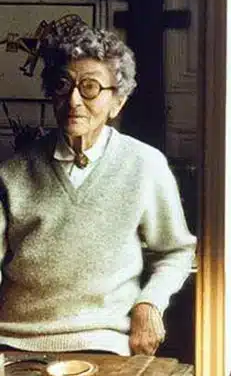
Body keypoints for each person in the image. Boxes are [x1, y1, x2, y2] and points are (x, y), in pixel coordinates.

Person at [0, 22, 196, 356]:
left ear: (116, 103)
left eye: (89, 87)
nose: (74, 100)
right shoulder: (13, 172)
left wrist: (149, 303)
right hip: (13, 342)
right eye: (63, 85)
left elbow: (176, 251)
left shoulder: (145, 165)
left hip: (102, 342)